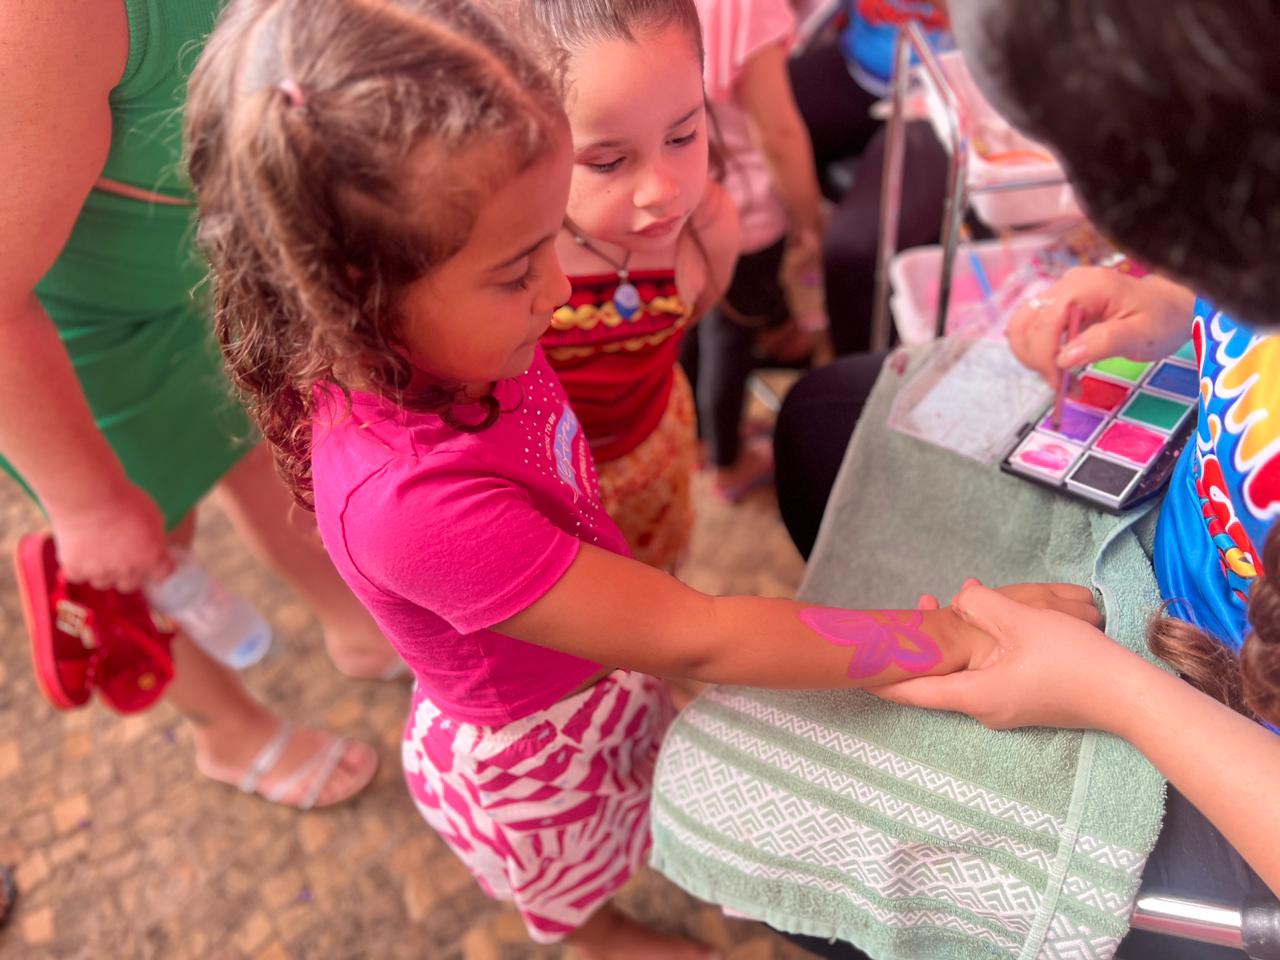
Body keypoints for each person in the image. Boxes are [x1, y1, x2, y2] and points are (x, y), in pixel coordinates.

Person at [184, 0, 1096, 953]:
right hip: (534, 753)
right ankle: (600, 935)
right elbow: (698, 635)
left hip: (601, 670)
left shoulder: (457, 328)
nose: (558, 289)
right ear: (353, 293)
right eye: (519, 270)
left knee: (641, 780)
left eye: (550, 240)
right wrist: (951, 636)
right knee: (575, 865)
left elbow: (671, 631)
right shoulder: (409, 505)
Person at [775, 2, 1280, 955]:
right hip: (1175, 561)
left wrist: (1110, 692)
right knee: (820, 423)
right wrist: (1176, 299)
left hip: (1234, 746)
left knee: (827, 853)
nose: (1081, 206)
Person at [0, 0, 385, 808]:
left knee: (254, 446)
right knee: (138, 545)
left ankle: (353, 621)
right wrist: (86, 502)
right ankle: (225, 731)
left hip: (202, 269)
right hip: (70, 336)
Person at [526, 0, 740, 569]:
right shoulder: (506, 259)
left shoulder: (710, 229)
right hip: (538, 489)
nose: (661, 191)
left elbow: (695, 314)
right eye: (607, 162)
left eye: (683, 136)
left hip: (654, 457)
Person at [680, 0, 830, 503]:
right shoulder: (749, 7)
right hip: (745, 213)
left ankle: (700, 439)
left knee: (697, 324)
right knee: (731, 339)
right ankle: (728, 464)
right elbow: (778, 134)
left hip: (685, 200)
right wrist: (809, 222)